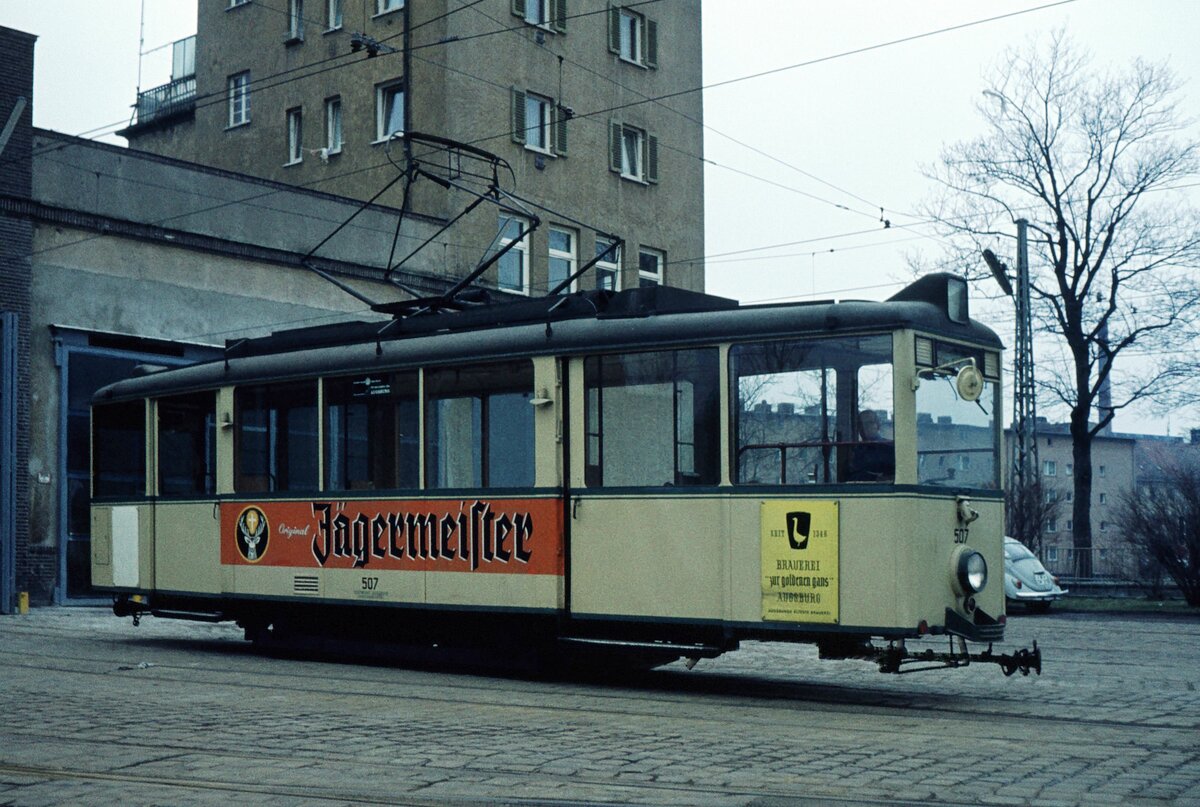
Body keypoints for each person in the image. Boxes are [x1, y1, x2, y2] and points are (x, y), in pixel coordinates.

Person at [847, 409, 894, 482]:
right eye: (860, 424)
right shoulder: (855, 451)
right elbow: (848, 477)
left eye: (869, 423)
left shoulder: (890, 448)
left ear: (878, 425)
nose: (865, 427)